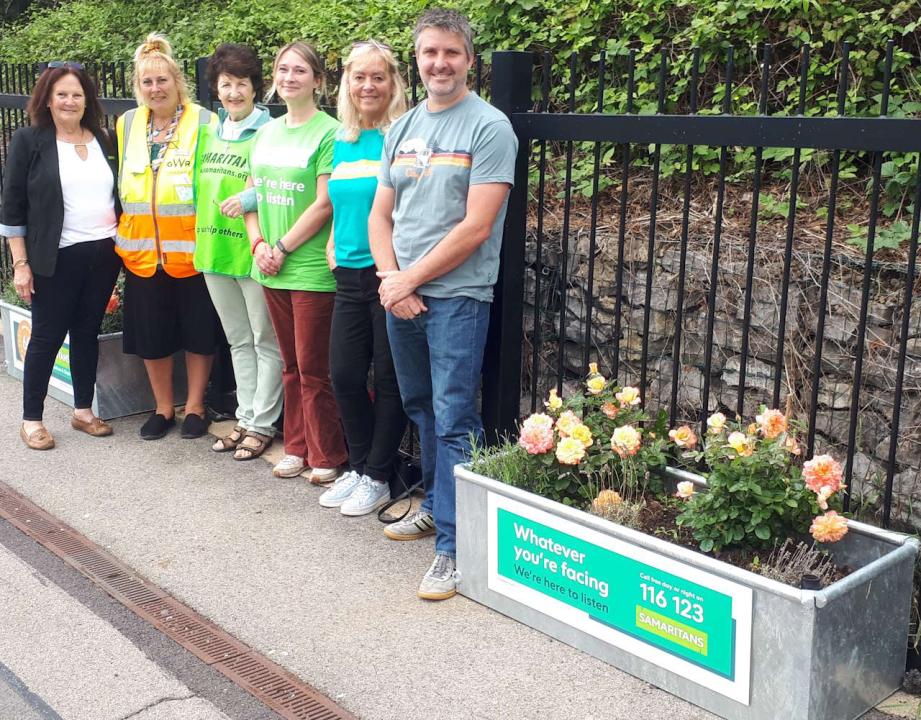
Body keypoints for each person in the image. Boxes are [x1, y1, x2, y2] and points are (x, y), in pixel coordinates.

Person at [369, 8, 518, 599]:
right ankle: (434, 503)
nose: (439, 63)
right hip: (400, 292)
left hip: (457, 296)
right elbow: (382, 214)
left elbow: (476, 227)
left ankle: (455, 549)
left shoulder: (489, 127)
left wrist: (407, 281)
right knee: (420, 406)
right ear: (419, 58)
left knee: (456, 417)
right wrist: (390, 277)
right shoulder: (402, 129)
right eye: (430, 52)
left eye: (451, 53)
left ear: (469, 61)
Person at [1, 62, 122, 450]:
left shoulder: (105, 139)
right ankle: (31, 419)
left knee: (86, 331)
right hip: (55, 257)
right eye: (62, 95)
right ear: (48, 101)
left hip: (103, 252)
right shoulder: (30, 141)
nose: (70, 101)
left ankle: (83, 410)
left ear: (87, 100)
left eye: (77, 94)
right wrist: (20, 263)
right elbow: (12, 207)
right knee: (47, 335)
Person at [244, 41, 347, 481]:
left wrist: (281, 247)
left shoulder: (330, 132)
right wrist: (257, 245)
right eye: (283, 69)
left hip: (308, 268)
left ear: (318, 81)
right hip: (268, 264)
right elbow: (251, 194)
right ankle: (297, 446)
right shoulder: (265, 131)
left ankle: (328, 456)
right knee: (288, 363)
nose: (289, 77)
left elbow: (325, 203)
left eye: (299, 70)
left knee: (314, 368)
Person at [317, 40, 408, 516]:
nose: (368, 85)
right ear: (347, 84)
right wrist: (333, 240)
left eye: (377, 77)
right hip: (348, 272)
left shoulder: (401, 135)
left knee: (390, 379)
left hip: (387, 271)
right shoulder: (344, 138)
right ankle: (358, 466)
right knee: (345, 375)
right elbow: (341, 201)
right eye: (359, 77)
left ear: (392, 82)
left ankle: (378, 474)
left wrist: (395, 270)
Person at [116, 34, 218, 441]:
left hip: (191, 250)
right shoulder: (126, 124)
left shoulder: (205, 121)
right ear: (138, 88)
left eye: (162, 81)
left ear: (178, 82)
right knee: (151, 336)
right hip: (142, 252)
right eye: (147, 83)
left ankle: (194, 406)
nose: (155, 89)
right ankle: (163, 408)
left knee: (199, 331)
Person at [193, 43, 283, 460]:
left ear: (255, 88)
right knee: (237, 341)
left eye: (241, 84)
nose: (232, 93)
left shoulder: (270, 132)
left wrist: (249, 203)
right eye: (225, 84)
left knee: (266, 340)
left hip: (254, 251)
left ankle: (263, 423)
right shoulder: (208, 132)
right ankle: (245, 418)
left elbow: (280, 191)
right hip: (213, 249)